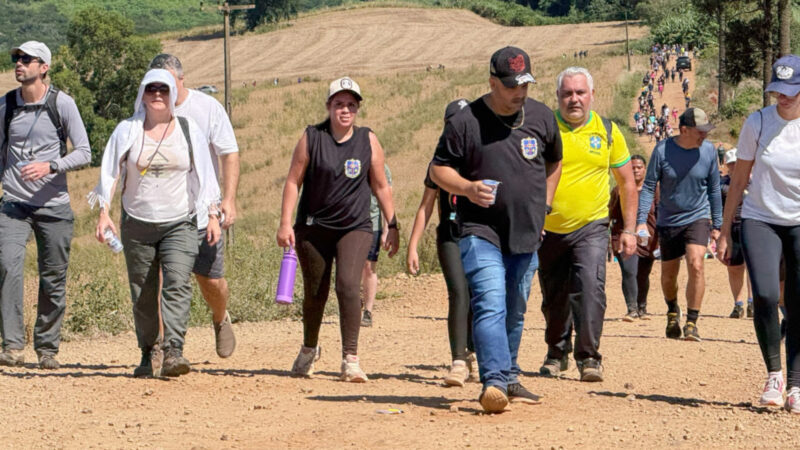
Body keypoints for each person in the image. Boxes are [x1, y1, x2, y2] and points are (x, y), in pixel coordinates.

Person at [430, 47, 562, 412]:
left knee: (515, 308)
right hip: (480, 229)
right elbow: (438, 169)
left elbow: (554, 162)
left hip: (527, 230)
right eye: (511, 86)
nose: (520, 92)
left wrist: (545, 205)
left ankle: (509, 375)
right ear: (492, 83)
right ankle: (493, 381)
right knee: (490, 302)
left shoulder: (541, 116)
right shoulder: (466, 121)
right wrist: (468, 188)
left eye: (525, 84)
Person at [91, 69, 222, 377]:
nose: (158, 94)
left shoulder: (188, 129)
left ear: (173, 93)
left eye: (164, 89)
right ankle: (149, 351)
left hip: (180, 222)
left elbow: (206, 174)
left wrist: (213, 215)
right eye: (152, 89)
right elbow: (110, 173)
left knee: (177, 282)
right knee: (143, 292)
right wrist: (104, 213)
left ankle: (174, 350)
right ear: (143, 94)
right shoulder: (127, 130)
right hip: (137, 224)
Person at [277, 77, 399, 383]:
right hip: (313, 228)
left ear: (358, 109)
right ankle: (309, 348)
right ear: (329, 106)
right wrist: (285, 222)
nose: (345, 110)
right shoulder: (311, 138)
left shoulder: (368, 140)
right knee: (315, 292)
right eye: (339, 104)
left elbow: (381, 186)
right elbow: (293, 181)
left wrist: (392, 223)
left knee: (347, 285)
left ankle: (350, 359)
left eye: (351, 105)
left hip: (354, 227)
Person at [538, 67, 637, 383]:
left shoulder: (607, 131)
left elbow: (626, 183)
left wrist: (630, 230)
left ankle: (589, 357)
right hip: (547, 229)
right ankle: (556, 353)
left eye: (580, 92)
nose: (574, 99)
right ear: (558, 96)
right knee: (554, 297)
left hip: (591, 227)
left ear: (592, 95)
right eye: (567, 93)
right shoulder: (544, 128)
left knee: (590, 289)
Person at [0, 41, 91, 369]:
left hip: (54, 206)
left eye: (27, 59)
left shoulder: (61, 103)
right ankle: (12, 346)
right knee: (7, 266)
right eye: (17, 58)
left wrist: (51, 166)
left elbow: (84, 151)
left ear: (44, 67)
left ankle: (47, 348)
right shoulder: (6, 105)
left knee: (53, 278)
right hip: (14, 203)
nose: (19, 63)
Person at [717, 54, 800, 412]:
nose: (783, 98)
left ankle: (796, 383)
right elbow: (738, 180)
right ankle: (774, 375)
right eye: (778, 91)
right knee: (765, 294)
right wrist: (724, 229)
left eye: (791, 91)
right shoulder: (758, 122)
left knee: (797, 300)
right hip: (760, 218)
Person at [148, 54, 240, 359]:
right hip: (163, 214)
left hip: (203, 213)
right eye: (154, 84)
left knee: (210, 280)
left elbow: (228, 153)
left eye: (167, 82)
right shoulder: (146, 110)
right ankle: (163, 347)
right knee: (163, 281)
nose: (160, 90)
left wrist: (228, 199)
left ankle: (220, 317)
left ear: (181, 79)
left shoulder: (207, 108)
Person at [407, 98, 476, 387]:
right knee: (459, 292)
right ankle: (459, 360)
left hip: (480, 234)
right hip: (450, 233)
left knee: (480, 295)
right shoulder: (439, 163)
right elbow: (426, 206)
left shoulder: (483, 156)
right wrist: (413, 245)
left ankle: (477, 352)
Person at [637, 107, 722, 342]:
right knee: (668, 275)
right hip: (669, 219)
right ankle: (672, 309)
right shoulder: (662, 150)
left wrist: (717, 224)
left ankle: (692, 322)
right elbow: (648, 186)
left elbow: (714, 189)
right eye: (700, 131)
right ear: (684, 130)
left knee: (696, 263)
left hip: (698, 216)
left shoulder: (709, 151)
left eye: (706, 131)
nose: (705, 135)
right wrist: (641, 221)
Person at [610, 155, 658, 321]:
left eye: (639, 167)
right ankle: (632, 309)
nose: (636, 170)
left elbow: (660, 213)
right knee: (629, 271)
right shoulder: (619, 190)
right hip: (624, 237)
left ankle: (642, 307)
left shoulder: (654, 190)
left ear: (645, 169)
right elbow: (610, 214)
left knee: (643, 274)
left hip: (648, 240)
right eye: (633, 168)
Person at [719, 148, 753, 319]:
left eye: (737, 163)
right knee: (734, 267)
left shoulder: (755, 182)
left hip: (753, 226)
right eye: (731, 164)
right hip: (732, 227)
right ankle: (738, 304)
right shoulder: (722, 184)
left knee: (752, 266)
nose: (735, 167)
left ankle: (752, 302)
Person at [360, 163, 392, 327]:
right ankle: (353, 303)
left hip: (372, 225)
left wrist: (387, 229)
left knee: (369, 267)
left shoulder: (382, 168)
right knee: (349, 269)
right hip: (350, 225)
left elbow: (387, 199)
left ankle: (368, 311)